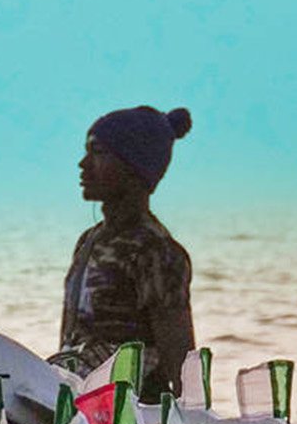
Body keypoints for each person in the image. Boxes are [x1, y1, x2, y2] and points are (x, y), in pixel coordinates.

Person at [55, 105, 196, 399]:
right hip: (80, 403)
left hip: (132, 414)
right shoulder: (90, 241)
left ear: (133, 167)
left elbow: (180, 362)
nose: (83, 164)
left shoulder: (155, 251)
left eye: (98, 152)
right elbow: (71, 340)